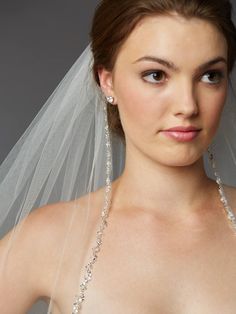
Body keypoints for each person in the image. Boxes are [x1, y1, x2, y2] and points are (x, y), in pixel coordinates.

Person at [1, 0, 236, 313]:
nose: (188, 105)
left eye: (209, 76)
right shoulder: (50, 237)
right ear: (107, 80)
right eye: (156, 75)